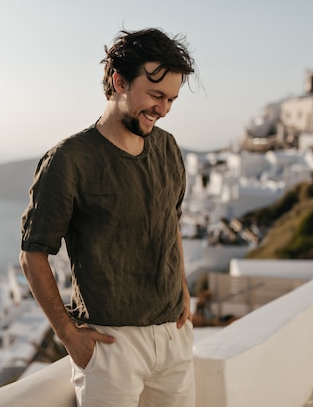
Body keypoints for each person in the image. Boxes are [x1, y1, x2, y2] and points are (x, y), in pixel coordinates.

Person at [19, 28, 196, 407]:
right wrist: (68, 334)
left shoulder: (167, 148)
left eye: (171, 99)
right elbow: (33, 255)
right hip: (111, 345)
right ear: (119, 81)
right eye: (155, 95)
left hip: (173, 336)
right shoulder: (69, 160)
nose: (163, 109)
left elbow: (171, 223)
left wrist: (182, 291)